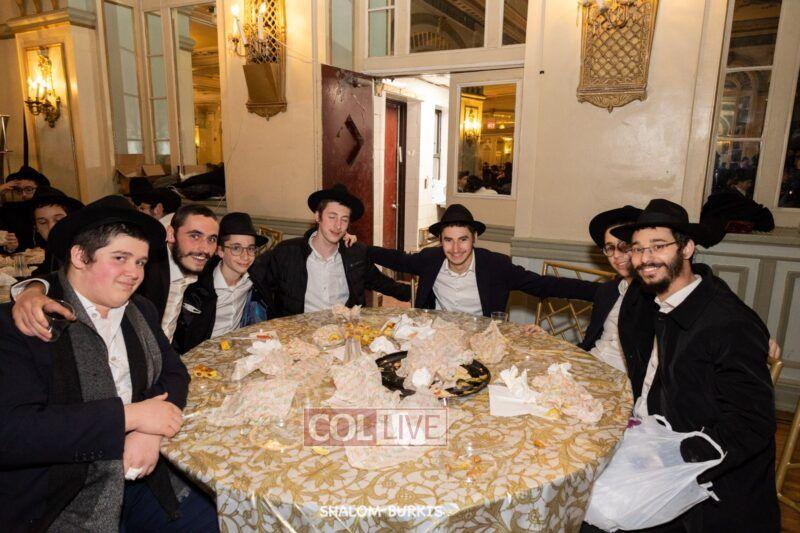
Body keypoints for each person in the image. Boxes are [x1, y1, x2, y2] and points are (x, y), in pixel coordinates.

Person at [0, 197, 218, 530]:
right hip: (62, 496)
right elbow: (13, 432)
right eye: (120, 258)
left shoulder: (140, 310)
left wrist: (147, 431)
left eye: (140, 262)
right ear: (80, 256)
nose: (134, 273)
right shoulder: (27, 323)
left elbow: (175, 372)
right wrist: (129, 417)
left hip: (144, 475)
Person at [594, 199, 779, 531]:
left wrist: (671, 457)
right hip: (648, 436)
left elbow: (751, 424)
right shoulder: (650, 299)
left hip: (705, 484)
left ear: (688, 247)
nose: (645, 258)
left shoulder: (728, 322)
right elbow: (705, 282)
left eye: (658, 246)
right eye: (637, 249)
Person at [11, 202, 219, 342]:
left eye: (211, 239)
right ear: (171, 234)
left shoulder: (201, 263)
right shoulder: (151, 264)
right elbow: (69, 277)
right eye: (194, 236)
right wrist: (33, 290)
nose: (204, 248)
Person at [367, 204, 597, 317]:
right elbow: (396, 259)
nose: (456, 249)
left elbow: (543, 284)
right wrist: (360, 248)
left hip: (481, 342)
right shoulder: (430, 259)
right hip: (436, 338)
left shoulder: (496, 266)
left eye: (463, 239)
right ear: (440, 241)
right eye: (448, 240)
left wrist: (602, 291)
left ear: (474, 238)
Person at [251, 183, 411, 317]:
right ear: (317, 216)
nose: (338, 226)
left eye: (344, 219)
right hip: (299, 336)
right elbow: (255, 276)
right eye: (332, 217)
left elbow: (384, 283)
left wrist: (419, 292)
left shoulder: (355, 255)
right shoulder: (287, 253)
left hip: (343, 334)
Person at [173, 212, 271, 354]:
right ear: (220, 251)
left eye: (250, 248)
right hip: (201, 354)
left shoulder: (255, 279)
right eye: (236, 248)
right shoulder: (197, 286)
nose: (245, 256)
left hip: (235, 350)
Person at [574, 205, 642, 371]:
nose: (616, 255)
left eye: (624, 246)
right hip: (590, 364)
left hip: (622, 378)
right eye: (610, 247)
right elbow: (588, 343)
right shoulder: (609, 290)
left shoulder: (654, 298)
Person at [28, 186, 85, 276]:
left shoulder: (83, 248)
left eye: (58, 220)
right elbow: (44, 272)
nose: (51, 227)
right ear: (36, 228)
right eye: (43, 222)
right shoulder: (52, 248)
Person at [0, 165, 52, 252]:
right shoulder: (9, 210)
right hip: (20, 258)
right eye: (19, 190)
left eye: (29, 189)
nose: (23, 194)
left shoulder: (49, 208)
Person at [700, 173, 775, 232]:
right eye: (748, 182)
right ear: (740, 183)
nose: (750, 185)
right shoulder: (733, 196)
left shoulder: (731, 194)